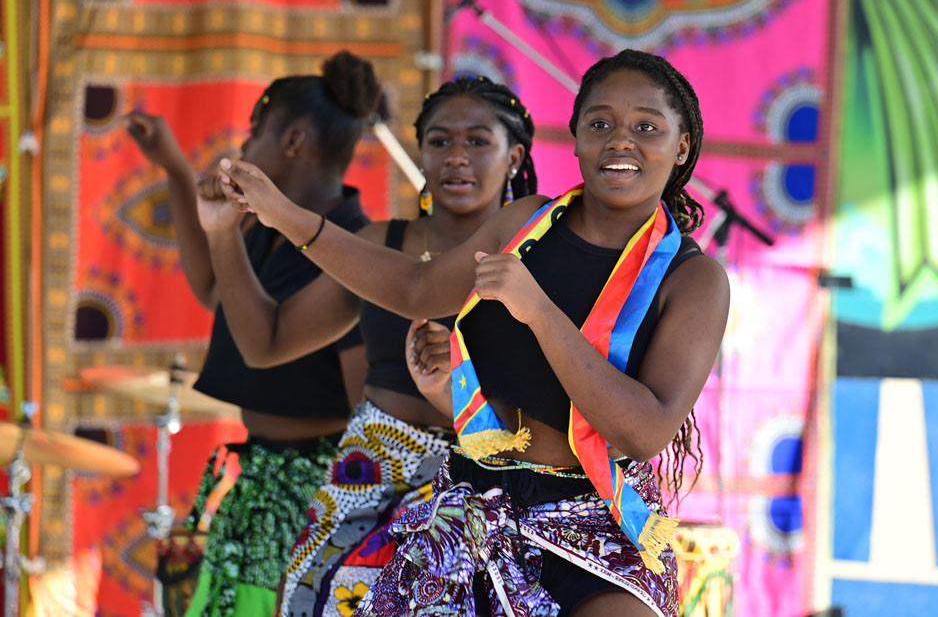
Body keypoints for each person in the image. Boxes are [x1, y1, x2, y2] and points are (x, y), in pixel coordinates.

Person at [218, 49, 729, 617]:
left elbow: (643, 433)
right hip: (475, 502)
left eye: (647, 127)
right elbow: (415, 287)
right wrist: (281, 214)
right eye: (600, 123)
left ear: (682, 146)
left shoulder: (694, 280)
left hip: (596, 523)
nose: (620, 141)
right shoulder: (525, 223)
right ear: (578, 140)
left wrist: (537, 309)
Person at [199, 75, 537, 616]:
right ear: (420, 155)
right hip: (368, 474)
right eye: (439, 141)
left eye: (478, 141)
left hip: (484, 480)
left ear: (514, 157)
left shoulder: (537, 251)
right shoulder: (383, 243)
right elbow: (266, 343)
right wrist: (220, 233)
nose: (456, 157)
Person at [123, 50, 381, 617]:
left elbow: (275, 350)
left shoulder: (353, 248)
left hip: (310, 493)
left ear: (292, 140)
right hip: (260, 478)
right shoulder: (267, 228)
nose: (242, 148)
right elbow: (219, 293)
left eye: (253, 132)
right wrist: (173, 169)